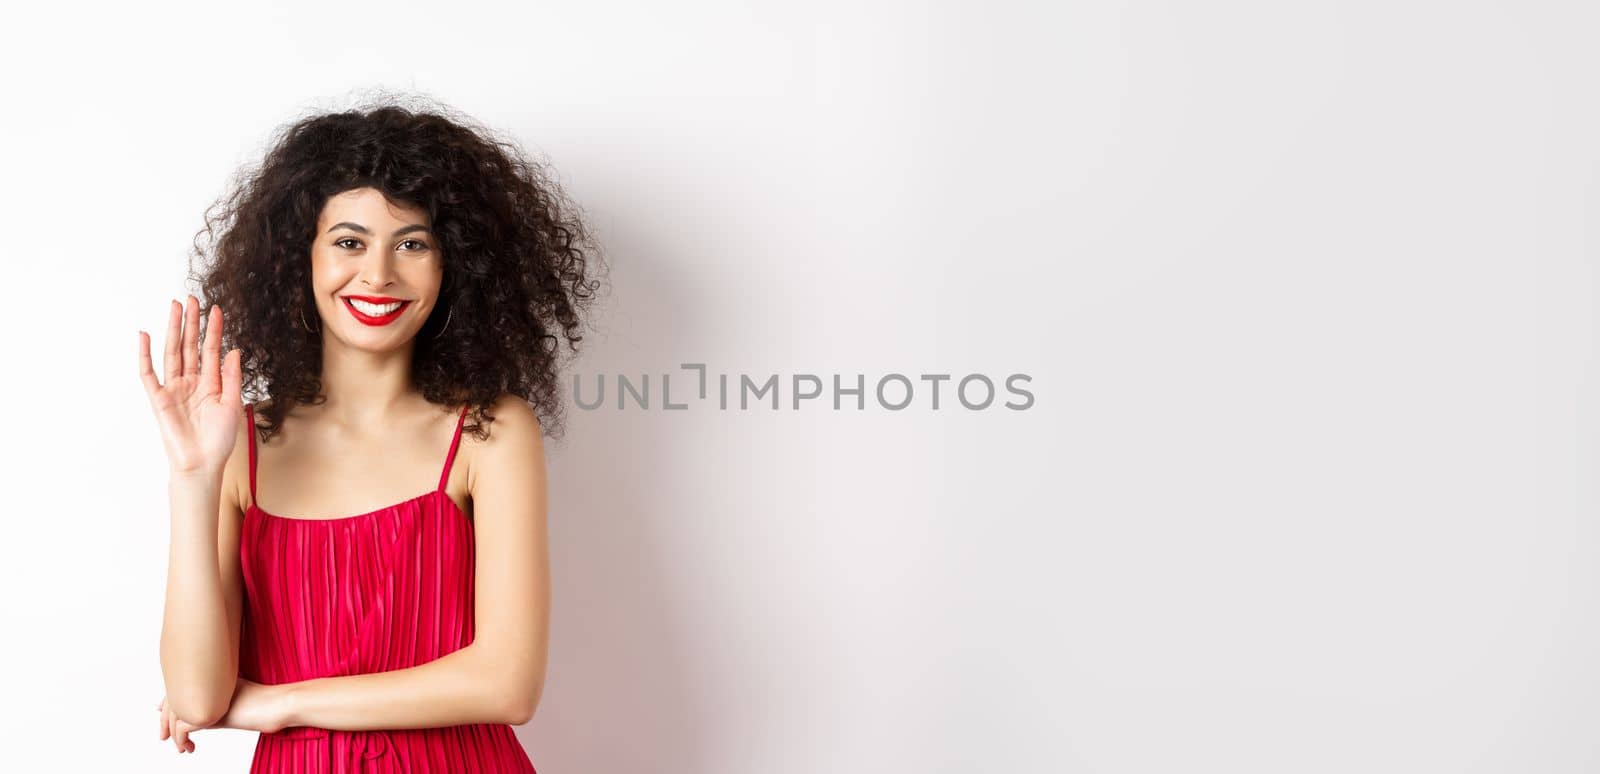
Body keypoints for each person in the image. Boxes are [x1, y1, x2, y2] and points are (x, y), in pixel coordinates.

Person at [138, 98, 604, 771]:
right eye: (350, 242)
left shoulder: (489, 432)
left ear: (453, 269)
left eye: (412, 243)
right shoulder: (238, 444)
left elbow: (507, 685)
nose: (379, 274)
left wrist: (285, 703)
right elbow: (197, 696)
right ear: (301, 259)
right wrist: (191, 477)